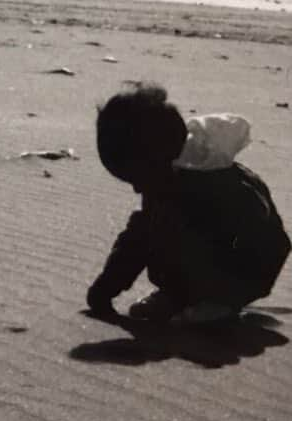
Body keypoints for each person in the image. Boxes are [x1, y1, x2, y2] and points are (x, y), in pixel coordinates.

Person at [86, 84, 290, 324]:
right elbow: (137, 239)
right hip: (215, 259)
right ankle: (180, 295)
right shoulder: (163, 173)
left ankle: (215, 302)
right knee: (155, 223)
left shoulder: (214, 182)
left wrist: (231, 291)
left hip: (246, 269)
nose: (137, 188)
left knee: (171, 225)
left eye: (137, 178)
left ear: (159, 158)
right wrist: (107, 286)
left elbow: (266, 241)